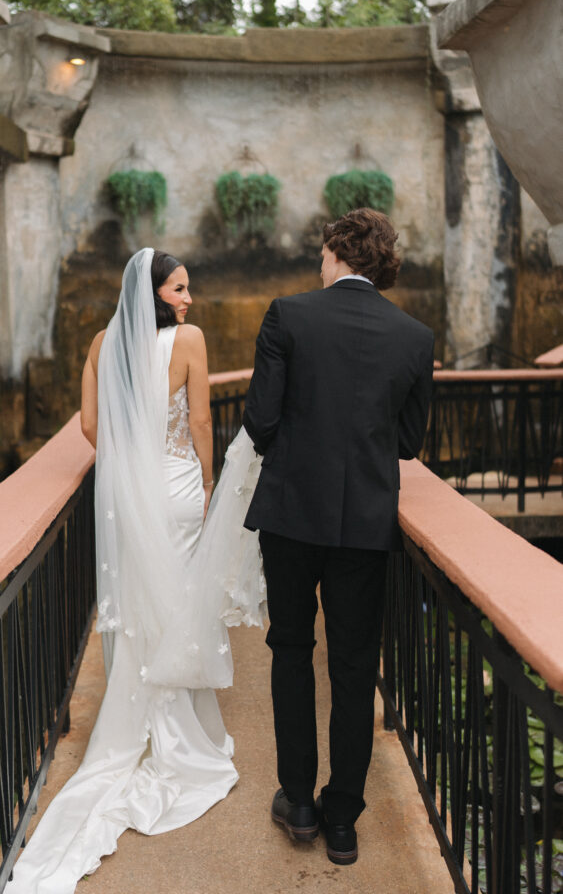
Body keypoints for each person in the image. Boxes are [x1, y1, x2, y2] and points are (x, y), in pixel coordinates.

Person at [4, 248, 239, 894]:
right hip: (180, 489)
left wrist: (129, 468)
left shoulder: (101, 343)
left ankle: (139, 713)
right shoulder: (188, 341)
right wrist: (208, 480)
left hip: (130, 494)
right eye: (180, 288)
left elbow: (88, 426)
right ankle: (182, 724)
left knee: (140, 602)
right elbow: (197, 420)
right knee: (181, 598)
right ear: (157, 294)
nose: (188, 300)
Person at [241, 208, 434, 866]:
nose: (318, 263)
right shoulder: (413, 335)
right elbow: (408, 442)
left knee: (290, 649)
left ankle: (296, 800)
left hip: (291, 515)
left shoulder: (287, 315)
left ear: (337, 254)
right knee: (353, 667)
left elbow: (260, 422)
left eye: (323, 253)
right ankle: (343, 819)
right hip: (363, 525)